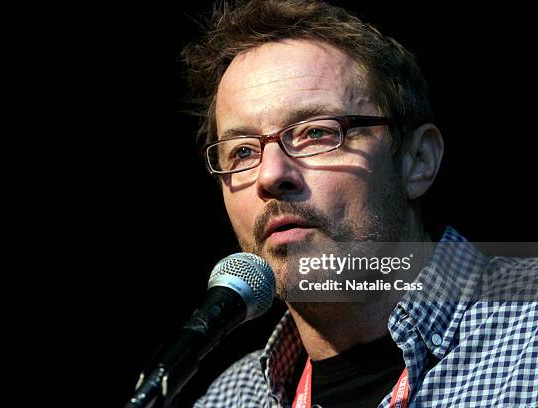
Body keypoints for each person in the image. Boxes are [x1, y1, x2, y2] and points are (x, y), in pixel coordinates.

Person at [181, 1, 537, 406]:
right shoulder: (229, 399)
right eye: (243, 152)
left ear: (416, 161)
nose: (270, 176)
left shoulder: (529, 332)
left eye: (315, 132)